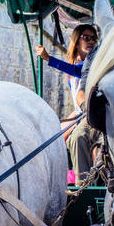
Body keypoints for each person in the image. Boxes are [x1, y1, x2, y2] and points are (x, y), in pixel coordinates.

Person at [37, 24, 99, 175]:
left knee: (75, 137)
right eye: (86, 38)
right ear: (77, 41)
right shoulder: (76, 63)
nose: (90, 41)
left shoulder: (92, 62)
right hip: (80, 111)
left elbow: (78, 71)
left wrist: (49, 58)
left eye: (93, 38)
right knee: (55, 138)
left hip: (89, 110)